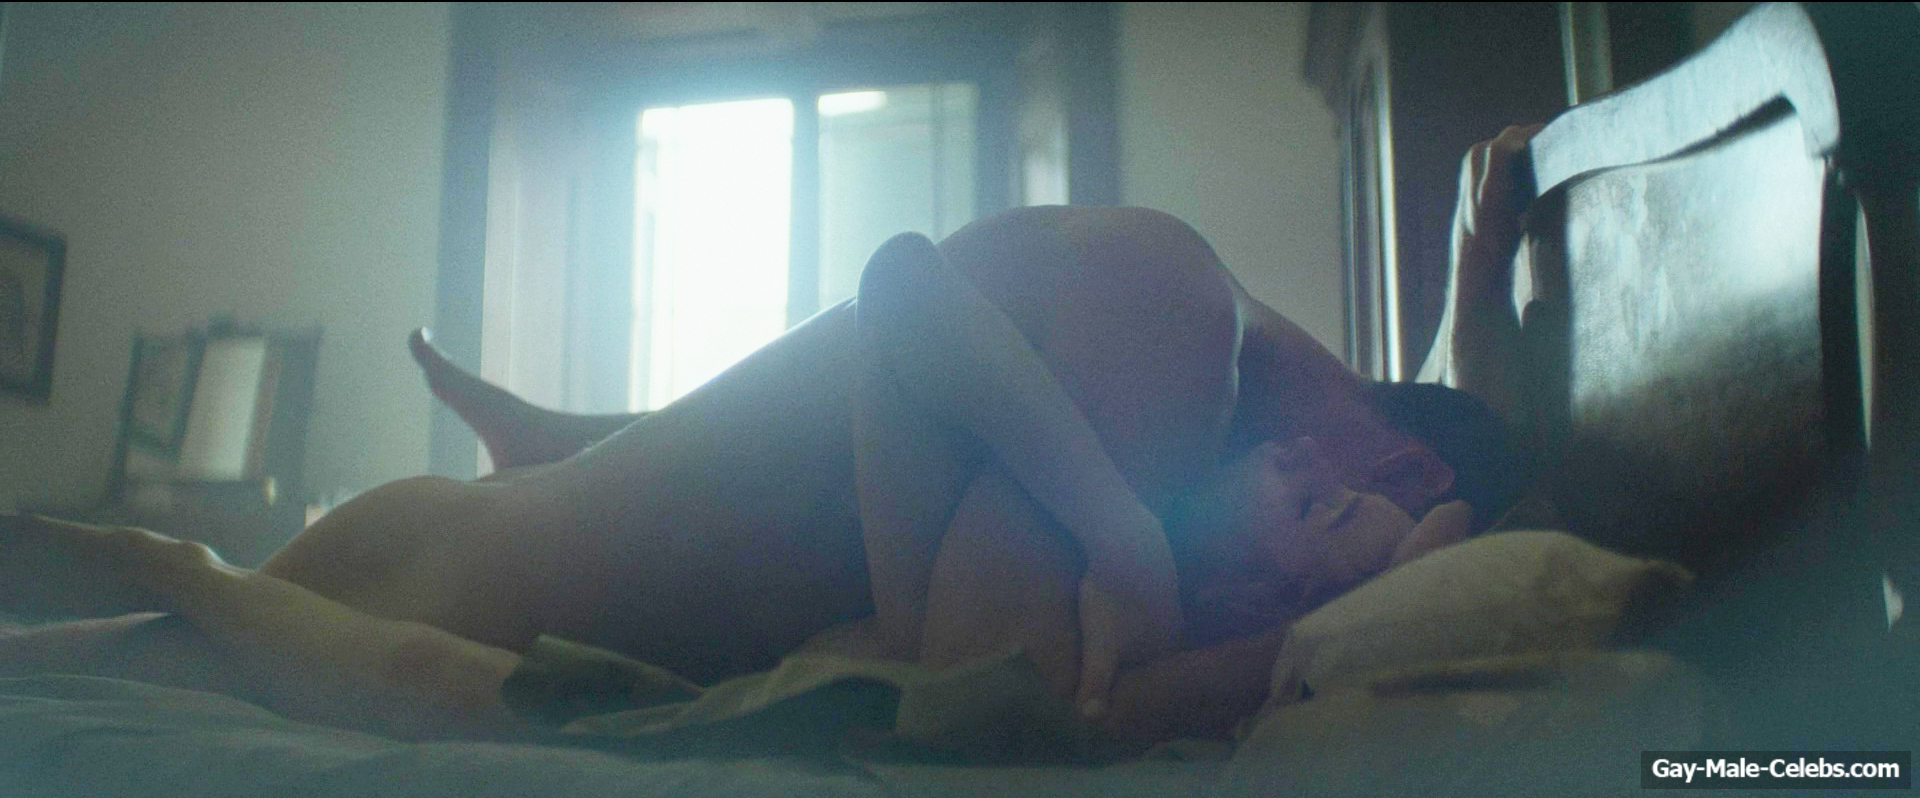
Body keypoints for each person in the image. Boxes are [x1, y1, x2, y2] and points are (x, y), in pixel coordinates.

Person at [0, 127, 1539, 747]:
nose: (1322, 527)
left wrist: (1473, 296)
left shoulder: (1242, 369)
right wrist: (1261, 636)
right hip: (468, 575)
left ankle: (568, 441)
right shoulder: (1176, 336)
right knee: (106, 658)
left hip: (540, 545)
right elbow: (982, 682)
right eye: (1359, 521)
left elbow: (1410, 434)